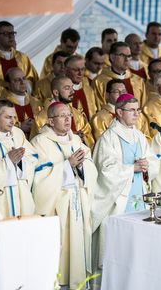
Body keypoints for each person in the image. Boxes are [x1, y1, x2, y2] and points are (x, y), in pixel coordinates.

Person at [31, 102, 98, 289]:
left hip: (78, 202)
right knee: (60, 248)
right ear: (51, 121)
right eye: (62, 116)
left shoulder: (76, 140)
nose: (68, 119)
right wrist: (67, 166)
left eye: (69, 115)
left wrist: (81, 166)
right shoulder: (40, 142)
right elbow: (37, 178)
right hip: (57, 206)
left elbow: (92, 167)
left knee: (78, 246)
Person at [91, 93, 159, 267]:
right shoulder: (109, 138)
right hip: (118, 201)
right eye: (132, 110)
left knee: (139, 248)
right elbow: (105, 171)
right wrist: (132, 168)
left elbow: (152, 160)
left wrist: (146, 166)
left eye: (137, 110)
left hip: (139, 197)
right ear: (119, 112)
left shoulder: (138, 136)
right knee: (119, 251)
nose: (137, 114)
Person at [30, 75, 93, 147]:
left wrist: (82, 137)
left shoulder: (77, 114)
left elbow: (88, 137)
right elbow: (38, 144)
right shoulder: (41, 118)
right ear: (56, 93)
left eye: (72, 87)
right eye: (67, 88)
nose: (72, 91)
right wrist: (69, 136)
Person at [0, 21, 39, 90]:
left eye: (12, 33)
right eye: (6, 34)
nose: (10, 36)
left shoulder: (22, 57)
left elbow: (34, 80)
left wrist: (25, 86)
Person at [93, 42, 147, 106]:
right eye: (122, 55)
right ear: (112, 57)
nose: (126, 59)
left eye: (129, 56)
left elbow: (143, 108)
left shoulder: (138, 81)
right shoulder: (99, 81)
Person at [0, 67, 43, 138]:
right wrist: (19, 127)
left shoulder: (36, 102)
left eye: (24, 78)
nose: (22, 82)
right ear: (7, 84)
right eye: (17, 80)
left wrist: (36, 125)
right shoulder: (1, 104)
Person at [66, 55, 99, 120]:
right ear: (66, 70)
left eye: (82, 69)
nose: (80, 73)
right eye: (76, 70)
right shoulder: (61, 89)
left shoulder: (89, 86)